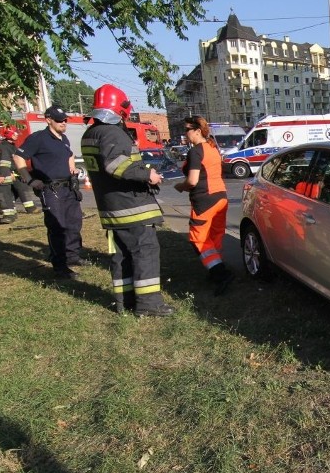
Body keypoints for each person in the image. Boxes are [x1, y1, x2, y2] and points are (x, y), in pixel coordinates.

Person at [81, 84, 174, 317]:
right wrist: (148, 175)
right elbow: (115, 165)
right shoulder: (112, 133)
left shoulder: (89, 134)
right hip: (131, 207)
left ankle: (125, 302)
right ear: (120, 109)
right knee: (145, 252)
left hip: (110, 208)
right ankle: (149, 304)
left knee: (121, 256)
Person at [13, 106, 85, 278]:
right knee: (57, 226)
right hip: (51, 189)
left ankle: (72, 256)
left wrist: (72, 168)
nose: (63, 123)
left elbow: (69, 154)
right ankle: (60, 265)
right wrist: (30, 179)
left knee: (74, 222)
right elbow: (18, 156)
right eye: (59, 120)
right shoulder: (38, 138)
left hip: (68, 187)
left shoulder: (64, 139)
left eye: (65, 120)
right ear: (48, 120)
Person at [174, 116, 235, 296]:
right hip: (221, 198)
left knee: (198, 239)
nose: (184, 134)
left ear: (197, 131)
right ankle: (216, 270)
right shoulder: (212, 147)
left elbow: (192, 181)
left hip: (204, 200)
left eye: (186, 130)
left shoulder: (196, 151)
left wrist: (179, 186)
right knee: (214, 236)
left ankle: (221, 274)